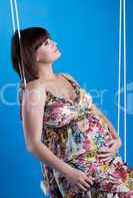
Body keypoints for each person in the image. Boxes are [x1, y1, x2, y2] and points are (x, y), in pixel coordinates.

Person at [11, 27, 133, 198]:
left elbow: (93, 110)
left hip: (108, 160)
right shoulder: (35, 89)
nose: (54, 43)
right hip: (78, 170)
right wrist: (70, 173)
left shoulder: (67, 77)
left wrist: (117, 138)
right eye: (47, 43)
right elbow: (33, 144)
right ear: (34, 54)